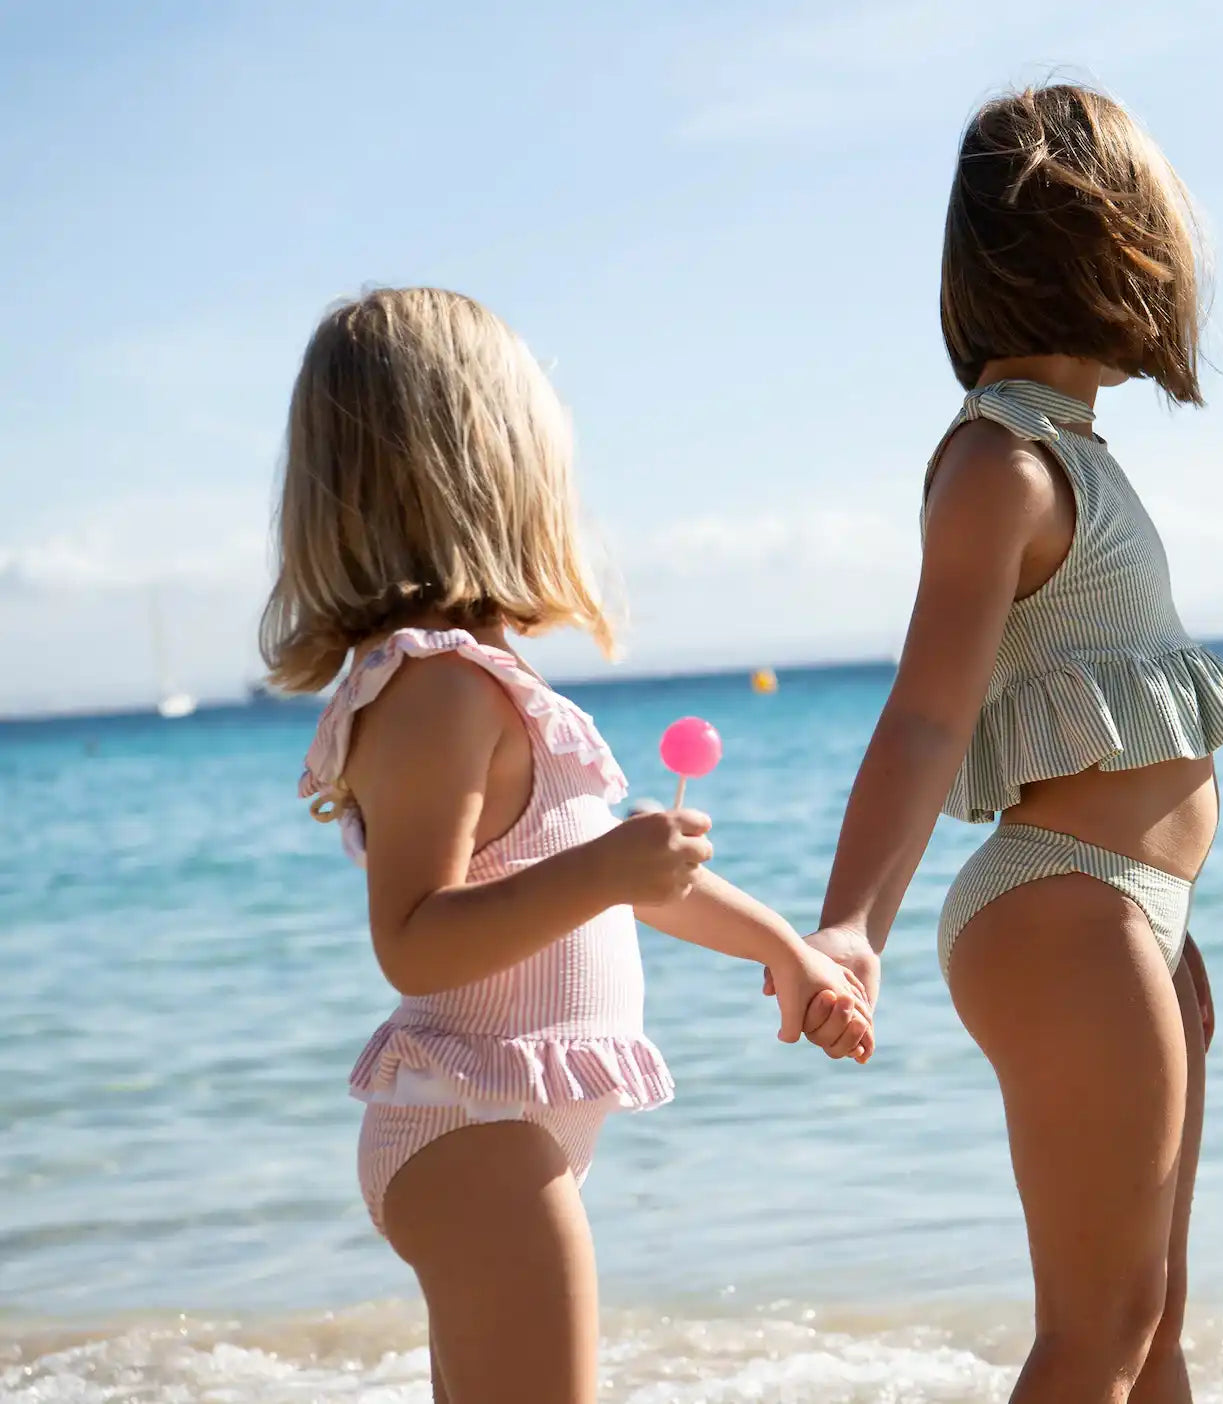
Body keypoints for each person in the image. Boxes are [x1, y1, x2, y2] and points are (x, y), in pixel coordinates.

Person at [260, 288, 873, 1404]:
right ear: (489, 475)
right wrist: (600, 871)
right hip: (470, 1129)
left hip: (492, 1129)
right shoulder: (439, 690)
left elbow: (633, 881)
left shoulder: (486, 683)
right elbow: (412, 939)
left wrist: (783, 949)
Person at [784, 85, 1223, 1403]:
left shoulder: (1075, 454)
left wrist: (1168, 929)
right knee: (1095, 1332)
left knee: (1148, 1330)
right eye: (1159, 244)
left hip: (1124, 919)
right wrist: (848, 930)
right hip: (1065, 914)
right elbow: (926, 714)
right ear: (1099, 247)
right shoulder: (998, 465)